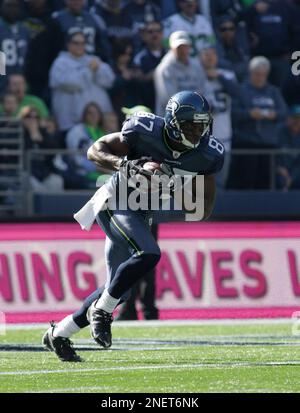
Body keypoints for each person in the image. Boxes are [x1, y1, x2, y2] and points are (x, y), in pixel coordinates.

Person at [42, 90, 225, 361]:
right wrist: (125, 164)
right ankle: (102, 313)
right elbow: (95, 150)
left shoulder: (206, 155)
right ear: (174, 123)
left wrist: (174, 186)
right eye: (192, 126)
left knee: (120, 290)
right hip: (115, 201)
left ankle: (59, 334)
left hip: (141, 214)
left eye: (202, 125)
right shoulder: (145, 130)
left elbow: (203, 209)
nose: (199, 132)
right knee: (149, 253)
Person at [231, 56, 287, 189]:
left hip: (268, 144)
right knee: (246, 183)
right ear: (250, 73)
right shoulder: (241, 90)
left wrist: (274, 115)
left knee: (267, 183)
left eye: (263, 75)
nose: (260, 78)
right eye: (257, 74)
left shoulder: (273, 91)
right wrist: (249, 114)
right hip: (247, 144)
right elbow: (233, 113)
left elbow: (284, 112)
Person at [49, 31, 115, 132]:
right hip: (71, 123)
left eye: (83, 43)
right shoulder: (60, 63)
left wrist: (98, 70)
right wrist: (88, 70)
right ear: (68, 44)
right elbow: (69, 84)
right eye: (76, 43)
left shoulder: (94, 59)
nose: (80, 46)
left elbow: (109, 80)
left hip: (98, 123)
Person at [199, 46, 240, 188]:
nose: (209, 57)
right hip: (200, 137)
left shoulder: (226, 74)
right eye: (206, 54)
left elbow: (237, 92)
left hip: (223, 135)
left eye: (212, 54)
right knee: (201, 181)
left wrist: (219, 76)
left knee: (221, 180)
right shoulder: (195, 74)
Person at [154, 31, 205, 116]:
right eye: (179, 47)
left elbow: (203, 90)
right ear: (171, 48)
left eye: (185, 46)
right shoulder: (164, 69)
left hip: (193, 118)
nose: (182, 50)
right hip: (170, 120)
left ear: (189, 47)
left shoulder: (196, 66)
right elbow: (169, 99)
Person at [19, 106, 64, 192]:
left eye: (36, 117)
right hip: (27, 172)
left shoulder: (43, 134)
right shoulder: (19, 134)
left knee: (57, 181)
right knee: (30, 182)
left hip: (44, 172)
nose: (32, 120)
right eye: (29, 117)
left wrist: (40, 140)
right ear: (22, 119)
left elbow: (53, 153)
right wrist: (31, 137)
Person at [64, 102, 108, 189]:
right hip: (84, 174)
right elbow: (75, 158)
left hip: (106, 175)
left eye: (96, 113)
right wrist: (97, 168)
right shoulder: (76, 132)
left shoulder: (103, 132)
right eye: (90, 113)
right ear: (84, 115)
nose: (93, 116)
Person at [133, 21, 166, 111]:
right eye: (150, 32)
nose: (155, 34)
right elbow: (139, 80)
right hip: (149, 104)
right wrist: (155, 74)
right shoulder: (139, 58)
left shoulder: (169, 55)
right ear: (144, 36)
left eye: (158, 31)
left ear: (162, 34)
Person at [0, 0, 30, 89]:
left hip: (19, 80)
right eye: (9, 5)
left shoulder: (23, 29)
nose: (12, 9)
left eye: (16, 6)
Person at [215, 14, 249, 82]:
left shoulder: (240, 45)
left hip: (243, 79)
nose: (228, 32)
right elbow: (221, 65)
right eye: (223, 29)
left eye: (231, 29)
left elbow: (246, 63)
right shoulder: (215, 47)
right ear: (218, 31)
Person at [276, 105, 300, 191]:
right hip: (279, 171)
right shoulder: (278, 133)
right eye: (294, 118)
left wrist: (291, 176)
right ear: (288, 119)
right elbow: (274, 155)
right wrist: (278, 167)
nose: (297, 121)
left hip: (295, 172)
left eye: (299, 119)